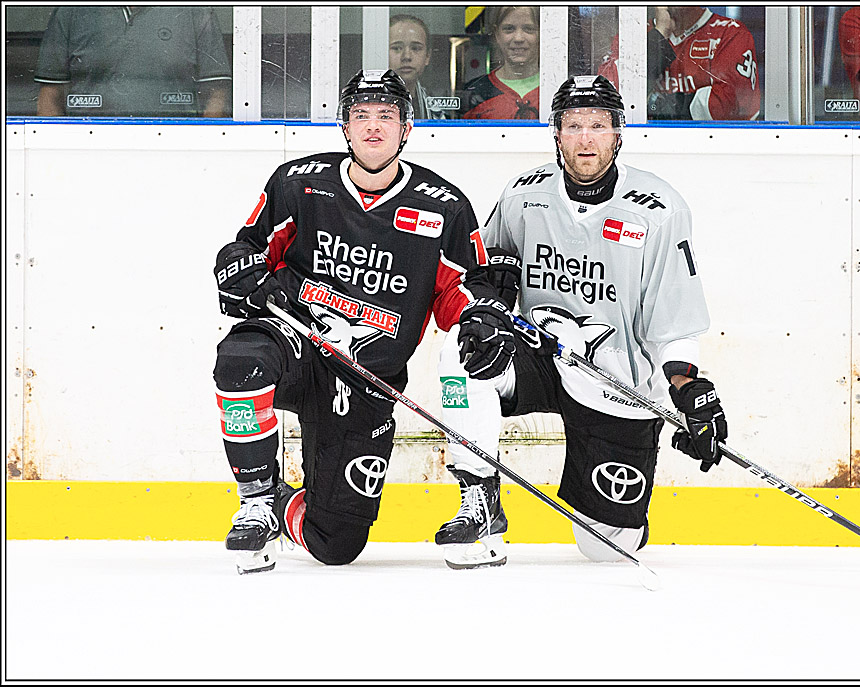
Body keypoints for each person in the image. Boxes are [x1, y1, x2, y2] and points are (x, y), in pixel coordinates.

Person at [212, 69, 513, 574]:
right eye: (361, 115)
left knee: (334, 544)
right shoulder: (298, 183)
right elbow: (249, 250)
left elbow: (462, 290)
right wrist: (236, 267)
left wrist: (481, 317)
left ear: (407, 128)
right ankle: (256, 500)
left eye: (386, 116)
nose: (373, 126)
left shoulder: (443, 206)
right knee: (241, 361)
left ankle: (284, 503)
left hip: (367, 378)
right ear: (345, 126)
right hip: (296, 341)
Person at [433, 75, 727, 569]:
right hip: (538, 353)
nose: (585, 138)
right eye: (573, 125)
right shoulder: (524, 195)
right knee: (462, 352)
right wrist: (485, 311)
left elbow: (674, 317)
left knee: (606, 547)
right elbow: (487, 272)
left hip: (616, 378)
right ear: (556, 133)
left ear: (618, 133)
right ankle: (480, 498)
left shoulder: (659, 210)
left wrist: (685, 386)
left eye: (598, 125)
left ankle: (622, 512)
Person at [34, 6, 231, 117]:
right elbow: (50, 96)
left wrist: (198, 156)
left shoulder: (196, 10)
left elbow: (216, 96)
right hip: (91, 150)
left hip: (173, 151)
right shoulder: (71, 10)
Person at [598, 6, 760, 121]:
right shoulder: (633, 33)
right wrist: (659, 36)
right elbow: (607, 97)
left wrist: (652, 104)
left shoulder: (731, 33)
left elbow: (725, 107)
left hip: (710, 149)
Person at [461, 6, 540, 120]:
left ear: (541, 33)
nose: (518, 38)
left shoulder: (559, 89)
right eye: (509, 29)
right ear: (497, 34)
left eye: (529, 29)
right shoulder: (475, 93)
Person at [388, 14, 452, 120]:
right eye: (397, 48)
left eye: (416, 48)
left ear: (427, 56)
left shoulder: (436, 112)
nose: (407, 56)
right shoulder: (365, 105)